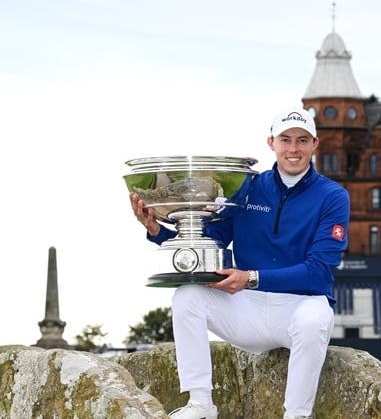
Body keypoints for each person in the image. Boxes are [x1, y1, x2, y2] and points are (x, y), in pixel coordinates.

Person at [129, 108, 350, 419]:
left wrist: (251, 277)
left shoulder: (333, 196)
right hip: (246, 308)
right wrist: (156, 230)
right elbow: (212, 240)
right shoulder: (248, 187)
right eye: (285, 140)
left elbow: (318, 271)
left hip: (300, 307)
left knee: (314, 321)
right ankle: (201, 404)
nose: (294, 149)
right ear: (271, 142)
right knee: (187, 296)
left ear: (315, 143)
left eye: (302, 140)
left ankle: (297, 414)